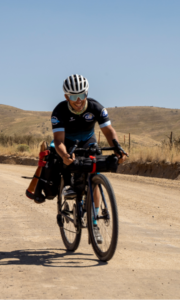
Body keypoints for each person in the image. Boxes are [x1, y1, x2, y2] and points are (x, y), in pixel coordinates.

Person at [51, 74, 127, 243]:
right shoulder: (59, 111)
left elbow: (108, 131)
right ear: (66, 96)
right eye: (73, 96)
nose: (78, 100)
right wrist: (64, 156)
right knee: (67, 164)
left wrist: (117, 148)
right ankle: (70, 186)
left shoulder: (95, 107)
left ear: (87, 93)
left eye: (82, 95)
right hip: (67, 142)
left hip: (88, 140)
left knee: (94, 172)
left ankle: (93, 222)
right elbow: (58, 140)